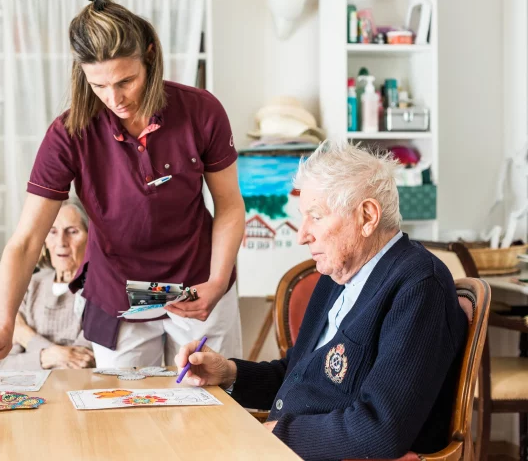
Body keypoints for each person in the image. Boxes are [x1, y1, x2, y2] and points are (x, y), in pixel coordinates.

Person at [0, 0, 245, 373]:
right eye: (99, 85)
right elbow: (26, 240)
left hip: (198, 284)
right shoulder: (68, 134)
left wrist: (218, 281)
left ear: (149, 57)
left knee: (213, 397)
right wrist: (2, 324)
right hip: (120, 294)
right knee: (124, 405)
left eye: (126, 80)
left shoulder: (201, 111)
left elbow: (229, 205)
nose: (115, 98)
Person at [175, 141, 468, 460]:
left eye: (315, 217)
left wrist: (276, 436)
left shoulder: (419, 285)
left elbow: (381, 429)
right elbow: (298, 375)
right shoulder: (338, 275)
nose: (302, 235)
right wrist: (230, 373)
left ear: (367, 216)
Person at [0, 198, 94, 370]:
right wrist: (51, 355)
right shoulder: (30, 285)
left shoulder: (100, 289)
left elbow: (83, 363)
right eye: (52, 232)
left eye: (72, 231)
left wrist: (27, 337)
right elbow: (3, 365)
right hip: (29, 387)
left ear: (91, 238)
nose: (61, 242)